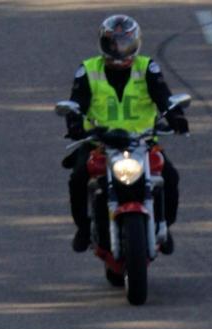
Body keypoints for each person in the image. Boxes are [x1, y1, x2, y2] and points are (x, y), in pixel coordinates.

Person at [62, 14, 189, 253]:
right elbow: (76, 102)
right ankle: (83, 227)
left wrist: (177, 117)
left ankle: (164, 225)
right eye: (113, 43)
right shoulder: (88, 70)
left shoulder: (147, 67)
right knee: (78, 176)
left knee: (170, 176)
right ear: (103, 44)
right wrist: (74, 125)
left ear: (135, 42)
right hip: (99, 142)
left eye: (125, 42)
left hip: (142, 141)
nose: (119, 49)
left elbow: (164, 96)